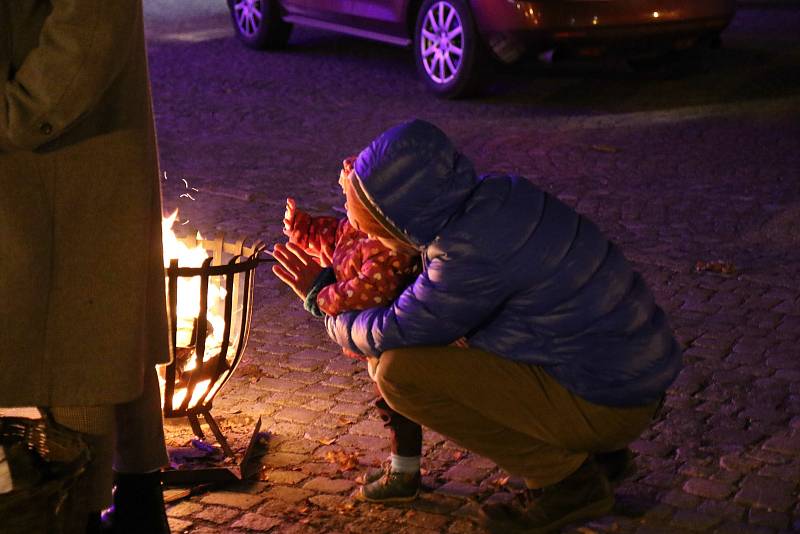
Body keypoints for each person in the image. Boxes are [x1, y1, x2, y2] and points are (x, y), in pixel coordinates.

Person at [271, 119, 682, 532]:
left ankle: (567, 482)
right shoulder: (496, 195)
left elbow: (393, 331)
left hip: (610, 400)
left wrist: (324, 299)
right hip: (622, 377)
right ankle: (589, 454)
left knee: (397, 372)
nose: (362, 238)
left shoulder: (465, 253)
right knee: (433, 352)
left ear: (398, 217)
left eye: (367, 228)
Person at [1, 2, 171, 533]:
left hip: (64, 170)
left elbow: (90, 25)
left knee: (79, 372)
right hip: (41, 179)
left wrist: (18, 111)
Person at [276, 157, 426, 502]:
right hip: (368, 337)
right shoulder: (355, 229)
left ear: (373, 206)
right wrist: (301, 228)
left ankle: (405, 473)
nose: (345, 208)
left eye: (350, 200)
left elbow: (365, 293)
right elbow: (330, 235)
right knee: (388, 403)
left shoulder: (389, 248)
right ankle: (400, 467)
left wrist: (322, 295)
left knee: (396, 404)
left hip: (388, 340)